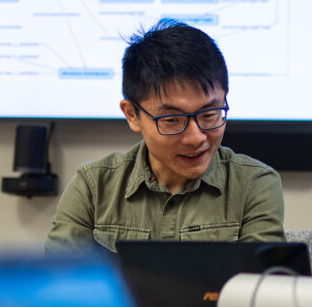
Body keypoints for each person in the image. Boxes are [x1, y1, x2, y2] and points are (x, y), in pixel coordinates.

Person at [46, 20, 285, 254]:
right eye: (172, 120)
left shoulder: (254, 185)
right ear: (132, 115)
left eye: (210, 114)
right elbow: (57, 284)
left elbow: (260, 289)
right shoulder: (93, 187)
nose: (196, 137)